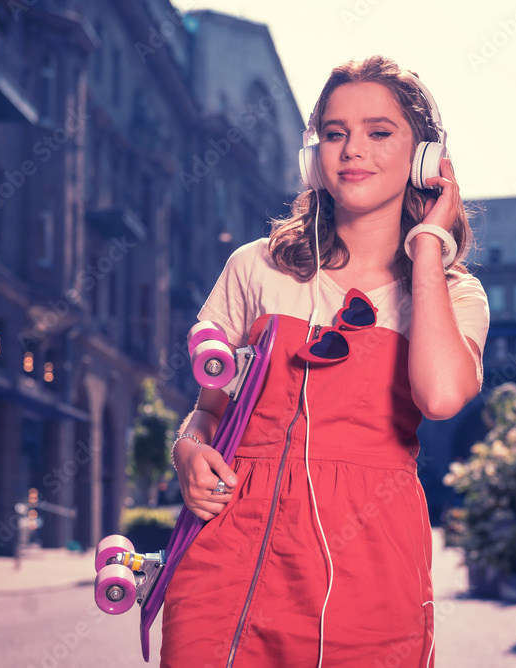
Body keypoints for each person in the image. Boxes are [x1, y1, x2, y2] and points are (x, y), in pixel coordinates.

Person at [161, 55, 489, 668]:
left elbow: (442, 397)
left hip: (368, 574)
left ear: (424, 158)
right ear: (314, 157)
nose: (352, 149)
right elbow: (207, 412)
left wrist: (428, 245)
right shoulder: (255, 266)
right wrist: (187, 451)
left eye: (379, 132)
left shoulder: (452, 295)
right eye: (335, 133)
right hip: (226, 563)